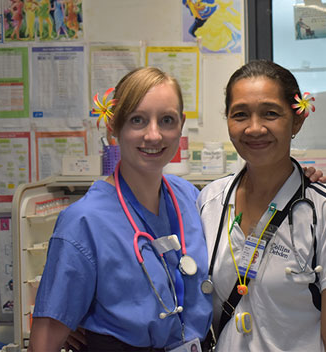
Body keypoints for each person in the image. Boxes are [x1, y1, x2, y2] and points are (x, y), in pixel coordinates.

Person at [28, 67, 213, 351]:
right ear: (113, 127)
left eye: (167, 120)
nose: (154, 135)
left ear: (181, 125)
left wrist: (301, 179)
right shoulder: (84, 222)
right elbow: (44, 343)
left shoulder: (188, 196)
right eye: (137, 120)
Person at [197, 60, 326, 351]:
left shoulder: (325, 209)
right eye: (240, 115)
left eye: (270, 114)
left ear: (296, 120)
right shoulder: (210, 201)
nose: (254, 128)